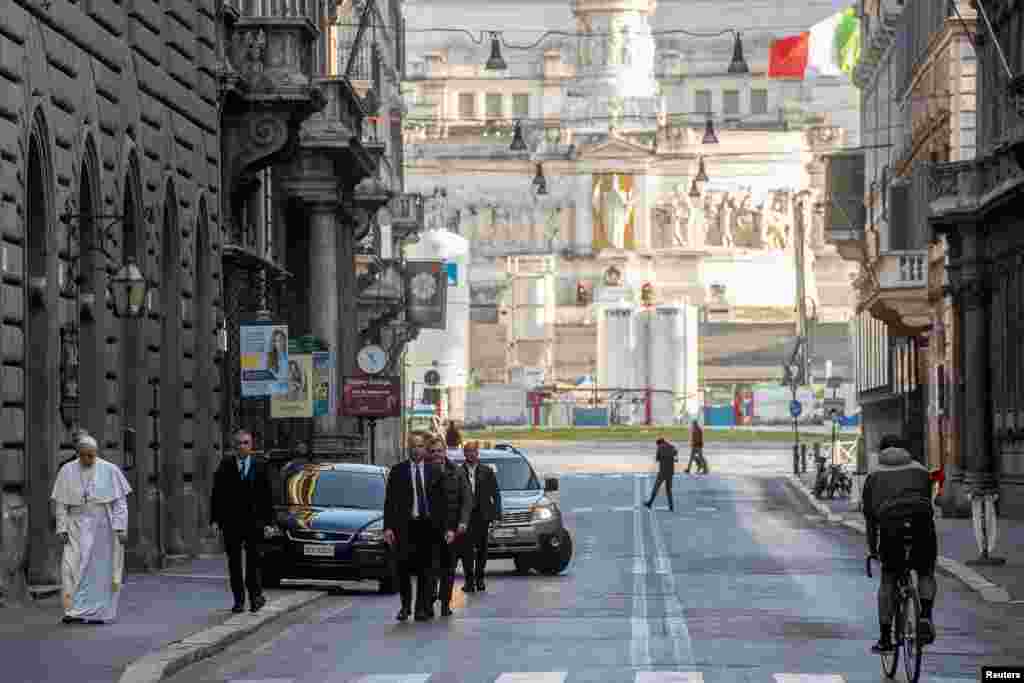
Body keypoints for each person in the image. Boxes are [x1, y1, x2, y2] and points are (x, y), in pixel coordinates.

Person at [863, 434, 938, 653]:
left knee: (888, 580)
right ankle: (925, 616)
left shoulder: (874, 475)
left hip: (891, 529)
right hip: (922, 525)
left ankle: (885, 639)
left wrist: (873, 549)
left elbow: (870, 519)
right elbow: (927, 501)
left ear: (881, 452)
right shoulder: (921, 470)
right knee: (925, 573)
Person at [51, 433, 133, 624]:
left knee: (98, 572)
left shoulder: (109, 470)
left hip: (101, 526)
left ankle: (97, 612)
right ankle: (72, 610)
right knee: (69, 567)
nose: (89, 459)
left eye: (92, 455)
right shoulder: (66, 471)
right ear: (78, 454)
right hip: (76, 524)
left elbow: (120, 503)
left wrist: (120, 528)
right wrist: (62, 528)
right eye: (85, 455)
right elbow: (61, 503)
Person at [210, 429, 276, 614]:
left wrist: (270, 523)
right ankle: (238, 601)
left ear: (251, 445)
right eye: (238, 443)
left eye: (245, 443)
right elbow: (217, 494)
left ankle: (255, 597)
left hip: (255, 522)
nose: (242, 446)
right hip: (232, 523)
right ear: (234, 446)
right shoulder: (225, 465)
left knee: (254, 562)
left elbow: (267, 496)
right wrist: (215, 520)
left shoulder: (261, 465)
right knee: (234, 563)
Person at [384, 431, 441, 622]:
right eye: (413, 446)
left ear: (425, 449)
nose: (416, 450)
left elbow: (442, 502)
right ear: (408, 448)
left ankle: (421, 609)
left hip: (427, 526)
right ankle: (405, 606)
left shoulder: (434, 470)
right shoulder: (398, 471)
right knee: (404, 568)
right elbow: (390, 501)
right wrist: (388, 527)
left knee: (426, 569)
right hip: (405, 526)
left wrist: (446, 527)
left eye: (419, 446)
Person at [425, 436, 471, 616]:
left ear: (445, 452)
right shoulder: (425, 472)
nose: (437, 454)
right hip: (429, 529)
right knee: (430, 569)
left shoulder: (457, 471)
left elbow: (467, 499)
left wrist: (462, 522)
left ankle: (445, 603)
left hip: (451, 529)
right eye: (433, 451)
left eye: (440, 451)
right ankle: (429, 602)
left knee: (448, 569)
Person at [459, 440, 502, 593]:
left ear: (477, 454)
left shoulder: (486, 471)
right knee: (466, 550)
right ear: (464, 454)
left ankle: (480, 578)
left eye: (473, 452)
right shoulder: (459, 471)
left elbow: (495, 494)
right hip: (466, 516)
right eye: (468, 451)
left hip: (483, 516)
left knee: (482, 549)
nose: (471, 454)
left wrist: (497, 515)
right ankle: (469, 581)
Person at [644, 437, 678, 511]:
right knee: (668, 489)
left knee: (656, 487)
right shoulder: (671, 447)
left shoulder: (660, 448)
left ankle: (650, 502)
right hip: (670, 471)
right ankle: (671, 506)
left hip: (662, 471)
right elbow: (676, 455)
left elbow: (657, 459)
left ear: (659, 443)